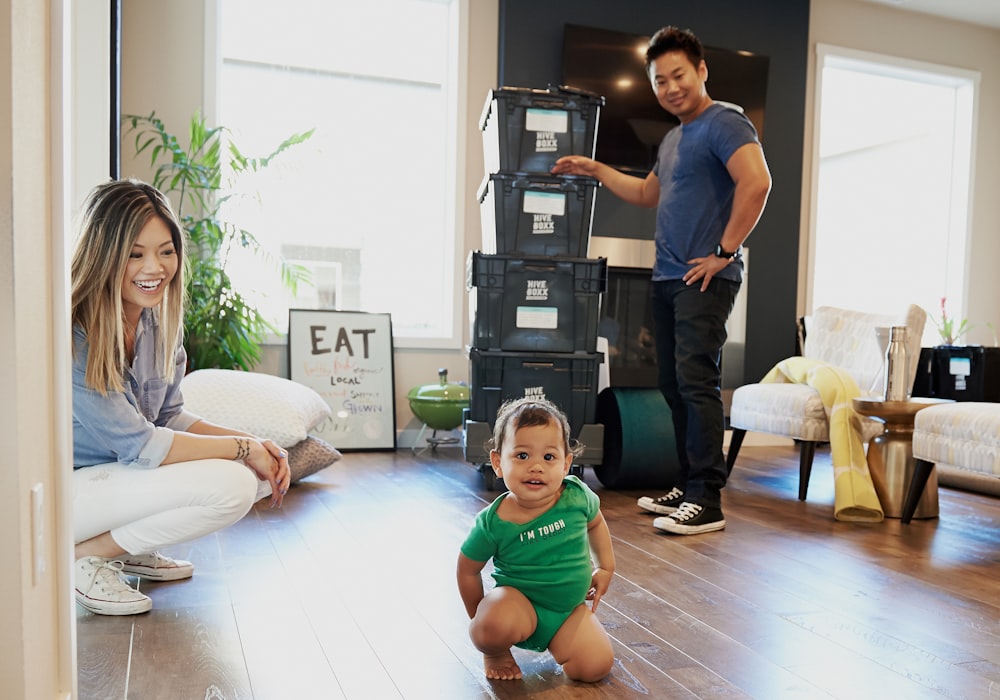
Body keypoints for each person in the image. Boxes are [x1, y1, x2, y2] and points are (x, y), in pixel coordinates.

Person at [553, 26, 771, 535]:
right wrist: (594, 167)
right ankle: (687, 482)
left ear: (701, 71)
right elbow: (649, 192)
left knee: (697, 385)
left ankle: (707, 499)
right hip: (668, 277)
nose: (671, 87)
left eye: (679, 75)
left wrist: (724, 252)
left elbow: (757, 182)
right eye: (660, 80)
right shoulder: (674, 138)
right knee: (673, 386)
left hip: (703, 277)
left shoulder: (725, 123)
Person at [71, 179, 292, 615]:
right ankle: (81, 556)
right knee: (233, 483)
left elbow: (170, 417)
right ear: (104, 254)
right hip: (69, 495)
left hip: (120, 480)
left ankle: (121, 550)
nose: (154, 267)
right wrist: (244, 449)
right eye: (135, 253)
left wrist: (256, 444)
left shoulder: (157, 325)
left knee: (252, 477)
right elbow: (144, 445)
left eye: (166, 251)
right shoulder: (78, 334)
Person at [456, 397, 616, 683]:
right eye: (522, 456)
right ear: (497, 462)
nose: (536, 467)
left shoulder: (576, 496)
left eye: (549, 457)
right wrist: (481, 619)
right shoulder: (493, 523)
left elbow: (596, 523)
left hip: (568, 612)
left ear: (566, 463)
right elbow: (467, 569)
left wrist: (606, 567)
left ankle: (567, 643)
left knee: (595, 667)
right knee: (489, 626)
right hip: (519, 609)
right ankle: (496, 651)